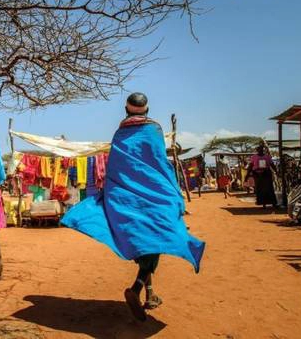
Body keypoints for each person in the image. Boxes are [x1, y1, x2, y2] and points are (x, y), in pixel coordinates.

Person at [61, 92, 205, 322]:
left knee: (145, 242)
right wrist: (174, 192)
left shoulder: (119, 134)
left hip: (125, 196)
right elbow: (160, 163)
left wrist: (111, 192)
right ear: (146, 110)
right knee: (156, 239)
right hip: (154, 194)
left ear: (126, 110)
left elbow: (117, 167)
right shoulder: (154, 131)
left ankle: (150, 294)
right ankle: (136, 289)